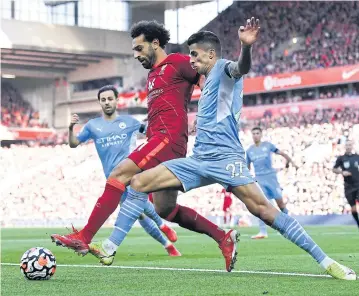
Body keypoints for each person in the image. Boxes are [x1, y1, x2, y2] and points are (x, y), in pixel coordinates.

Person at [121, 17, 356, 280]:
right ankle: (110, 245)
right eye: (190, 56)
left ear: (211, 54)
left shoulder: (222, 68)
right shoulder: (207, 80)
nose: (192, 61)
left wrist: (246, 48)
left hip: (225, 159)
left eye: (195, 55)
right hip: (199, 160)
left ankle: (326, 261)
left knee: (264, 210)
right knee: (139, 181)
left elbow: (240, 67)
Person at [50, 21, 237, 271]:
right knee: (164, 208)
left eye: (139, 48)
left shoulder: (179, 62)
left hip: (166, 140)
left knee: (120, 174)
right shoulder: (152, 75)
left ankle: (85, 237)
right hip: (161, 141)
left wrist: (206, 111)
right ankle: (222, 237)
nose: (136, 55)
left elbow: (208, 79)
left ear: (155, 43)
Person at [51, 85, 181, 264]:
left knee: (139, 208)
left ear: (117, 100)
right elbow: (74, 143)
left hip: (133, 173)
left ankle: (164, 229)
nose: (107, 102)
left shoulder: (130, 121)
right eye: (103, 100)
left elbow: (152, 132)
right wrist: (71, 128)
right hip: (114, 180)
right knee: (140, 214)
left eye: (110, 99)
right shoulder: (93, 126)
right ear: (99, 103)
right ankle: (167, 242)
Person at [246, 127, 298, 239]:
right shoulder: (249, 151)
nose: (255, 135)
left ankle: (290, 227)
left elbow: (282, 153)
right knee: (261, 206)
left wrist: (291, 163)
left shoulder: (268, 146)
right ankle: (263, 232)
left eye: (257, 133)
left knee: (281, 204)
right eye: (253, 133)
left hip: (271, 178)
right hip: (259, 179)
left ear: (261, 134)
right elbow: (247, 168)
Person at [333, 140, 359, 229]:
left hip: (358, 185)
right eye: (347, 145)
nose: (348, 146)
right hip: (348, 187)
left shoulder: (357, 157)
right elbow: (334, 169)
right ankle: (358, 223)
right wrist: (342, 172)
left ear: (352, 146)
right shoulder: (341, 158)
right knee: (354, 208)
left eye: (350, 145)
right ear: (345, 146)